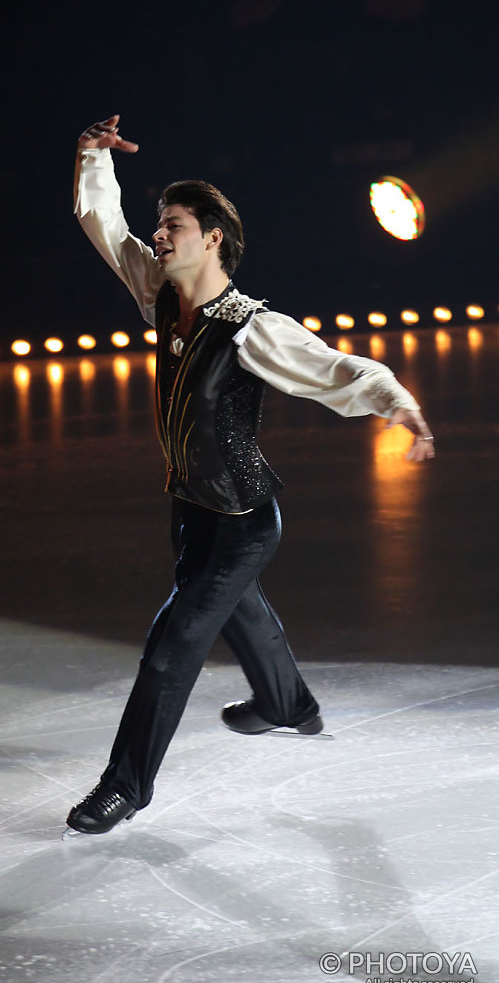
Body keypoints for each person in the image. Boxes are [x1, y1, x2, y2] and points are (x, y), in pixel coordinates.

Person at [66, 114, 435, 836]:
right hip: (189, 508)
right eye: (159, 224)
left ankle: (124, 788)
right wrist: (89, 156)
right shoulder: (161, 295)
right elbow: (101, 223)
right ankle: (287, 704)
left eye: (172, 224)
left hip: (242, 523)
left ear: (212, 238)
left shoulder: (250, 327)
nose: (159, 235)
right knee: (243, 613)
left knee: (173, 643)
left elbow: (337, 370)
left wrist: (401, 405)